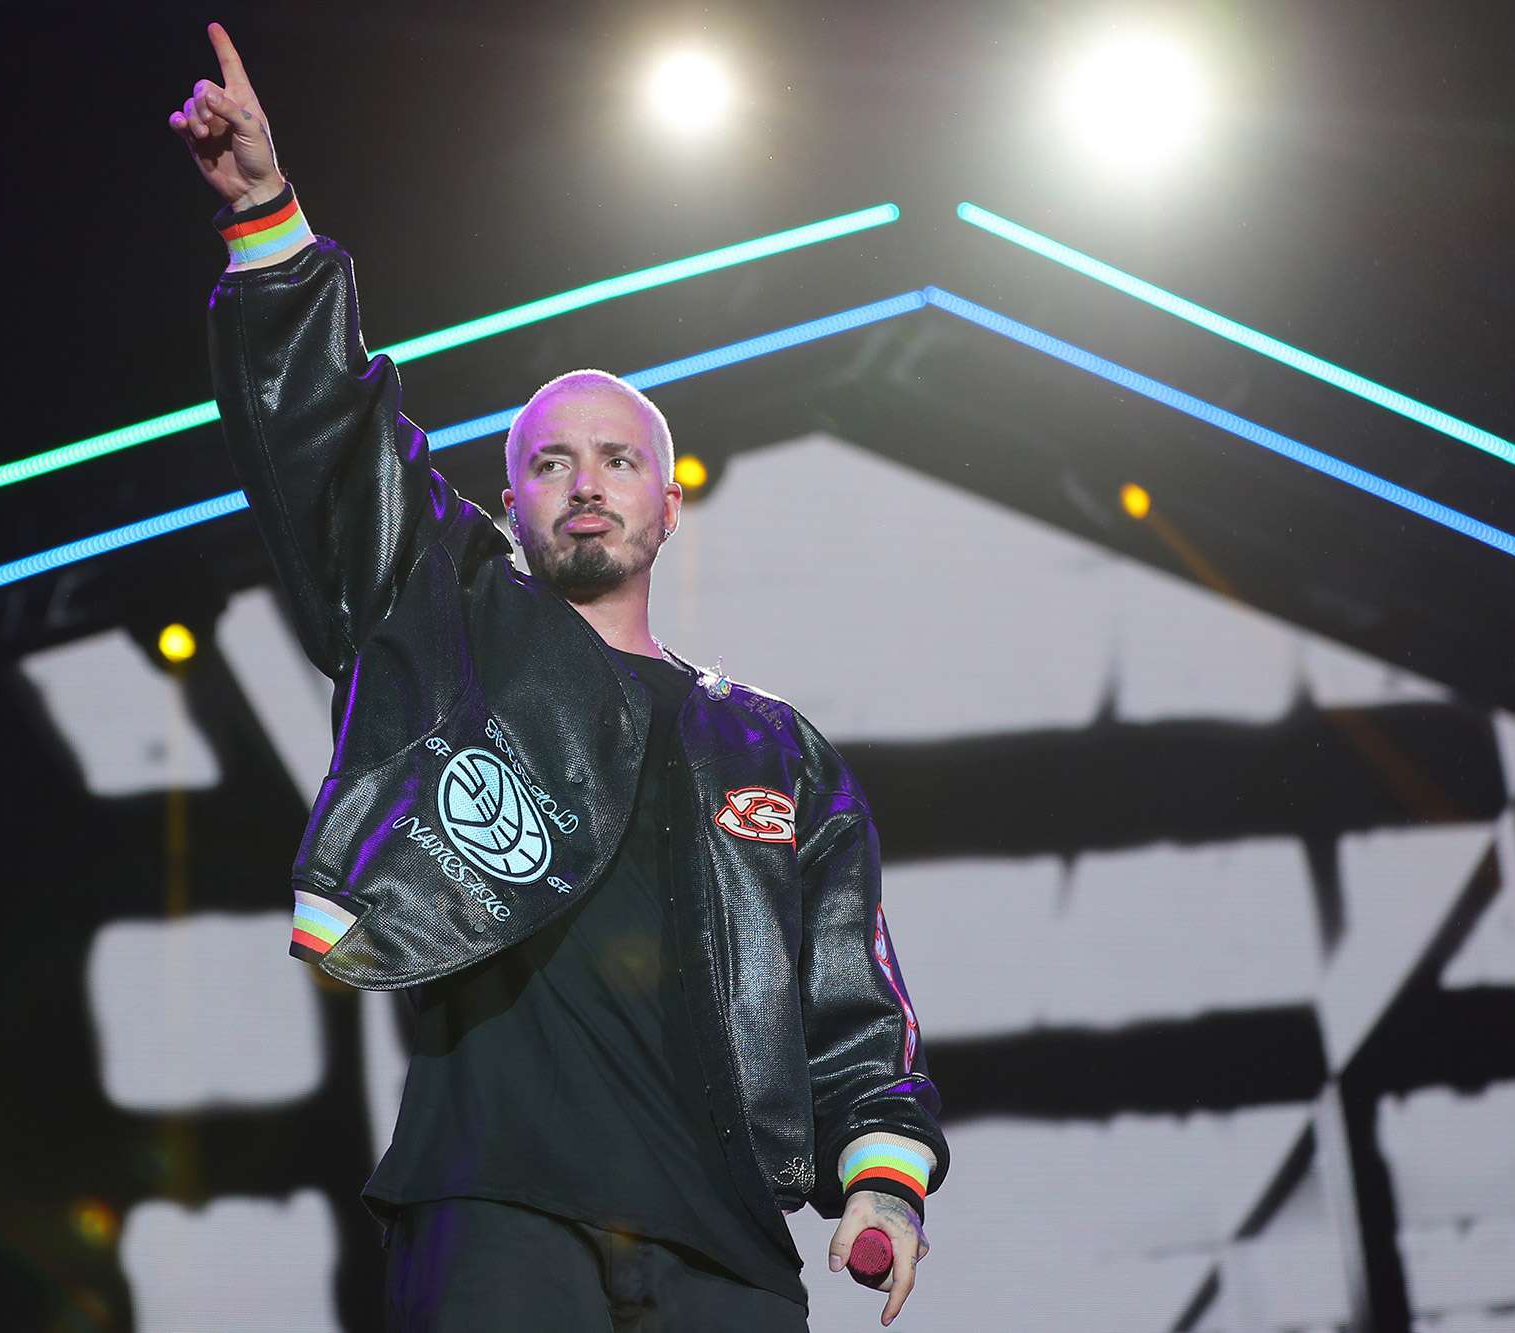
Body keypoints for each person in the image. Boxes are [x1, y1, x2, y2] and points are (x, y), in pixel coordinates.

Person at [167, 22, 947, 1330]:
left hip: (729, 1248)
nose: (585, 481)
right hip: (497, 1209)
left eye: (618, 457)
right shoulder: (454, 624)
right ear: (513, 500)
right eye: (549, 460)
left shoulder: (775, 750)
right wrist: (266, 218)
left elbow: (850, 991)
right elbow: (335, 443)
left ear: (669, 501)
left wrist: (884, 1183)